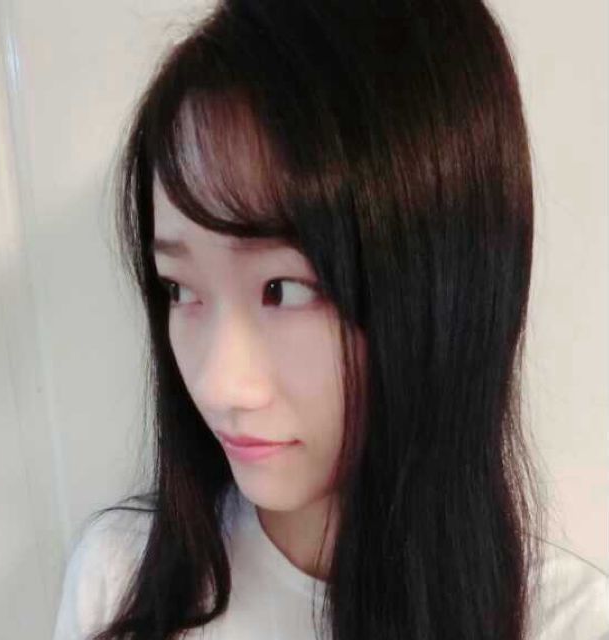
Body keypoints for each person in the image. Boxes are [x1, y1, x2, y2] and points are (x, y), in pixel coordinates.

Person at [52, 0, 609, 639]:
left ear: (441, 288)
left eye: (284, 290)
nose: (217, 385)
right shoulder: (121, 583)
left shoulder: (567, 625)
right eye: (179, 289)